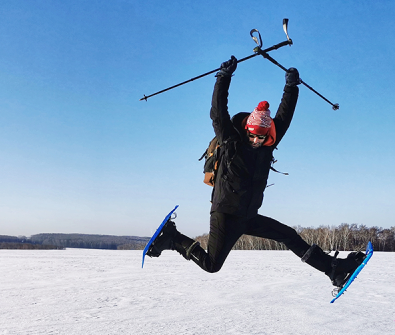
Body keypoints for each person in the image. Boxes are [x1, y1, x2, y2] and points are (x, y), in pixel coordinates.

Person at [146, 55, 364, 290]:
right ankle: (173, 238)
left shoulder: (267, 144)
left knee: (289, 235)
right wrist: (223, 77)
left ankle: (333, 269)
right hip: (225, 215)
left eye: (261, 136)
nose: (256, 140)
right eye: (252, 134)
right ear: (247, 129)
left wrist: (291, 87)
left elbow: (284, 116)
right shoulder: (231, 142)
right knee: (211, 265)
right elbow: (218, 112)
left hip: (249, 216)